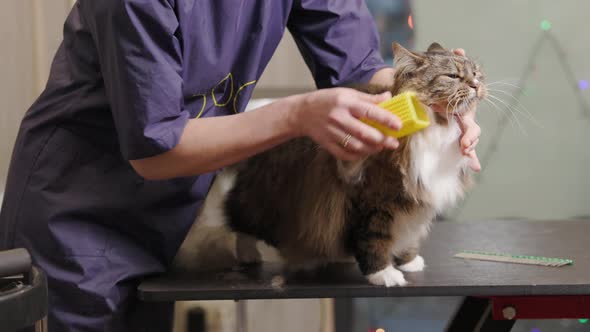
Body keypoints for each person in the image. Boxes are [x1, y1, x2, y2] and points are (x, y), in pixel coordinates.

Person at [0, 1, 481, 331]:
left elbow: (359, 69)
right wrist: (297, 115)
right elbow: (156, 148)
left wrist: (437, 98)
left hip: (165, 222)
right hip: (77, 217)